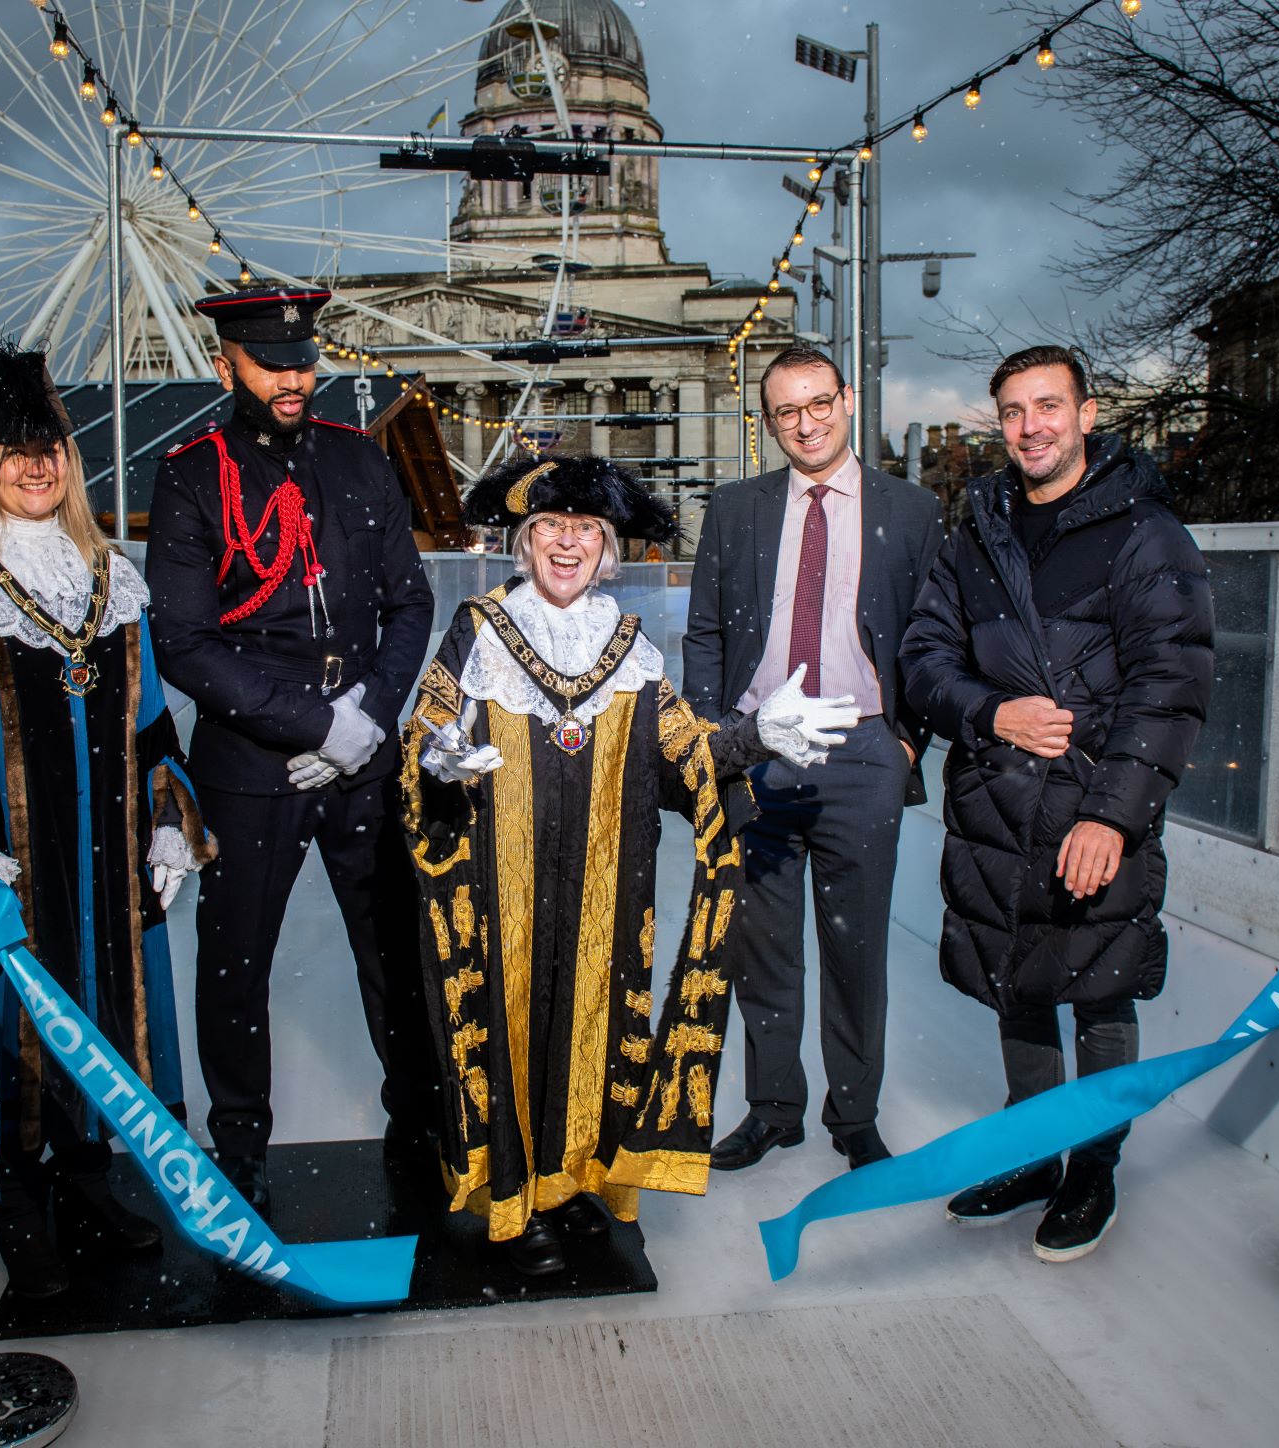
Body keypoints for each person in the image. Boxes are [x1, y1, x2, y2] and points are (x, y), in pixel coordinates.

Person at [401, 454, 859, 1275]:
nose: (567, 545)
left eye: (585, 530)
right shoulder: (480, 628)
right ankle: (518, 1200)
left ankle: (578, 1184)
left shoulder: (628, 643)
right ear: (524, 542)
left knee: (597, 1032)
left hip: (609, 890)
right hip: (506, 888)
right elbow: (429, 729)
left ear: (608, 548)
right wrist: (440, 760)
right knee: (514, 1023)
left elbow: (682, 750)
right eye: (549, 528)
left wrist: (756, 736)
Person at [0, 335, 213, 1297]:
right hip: (21, 869)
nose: (36, 465)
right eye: (14, 450)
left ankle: (87, 1186)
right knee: (21, 1027)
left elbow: (154, 720)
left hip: (110, 858)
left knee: (107, 1015)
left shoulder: (111, 581)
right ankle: (20, 1208)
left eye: (50, 449)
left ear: (71, 464)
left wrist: (171, 819)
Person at [899, 344, 1213, 1262]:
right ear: (999, 424)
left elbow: (1172, 686)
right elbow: (925, 661)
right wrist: (992, 711)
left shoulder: (1144, 533)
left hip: (1090, 801)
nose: (1031, 426)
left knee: (1100, 988)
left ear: (1085, 412)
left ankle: (1095, 1167)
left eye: (1048, 406)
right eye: (1013, 411)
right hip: (999, 805)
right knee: (1018, 983)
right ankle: (1036, 1151)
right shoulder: (976, 536)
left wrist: (1113, 816)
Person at [145, 285, 436, 1219]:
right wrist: (313, 726)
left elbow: (411, 604)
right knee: (235, 966)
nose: (294, 379)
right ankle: (239, 1151)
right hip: (248, 766)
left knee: (397, 950)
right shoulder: (190, 474)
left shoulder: (360, 461)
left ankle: (420, 1126)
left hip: (365, 755)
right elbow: (185, 646)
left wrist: (368, 718)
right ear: (226, 362)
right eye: (273, 363)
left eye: (305, 362)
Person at [683, 346, 945, 1172]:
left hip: (864, 750)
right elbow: (706, 634)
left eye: (818, 403)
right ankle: (773, 1109)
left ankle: (854, 1113)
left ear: (848, 400)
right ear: (768, 423)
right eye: (787, 411)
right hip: (759, 748)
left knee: (856, 946)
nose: (806, 422)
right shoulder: (736, 509)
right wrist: (714, 738)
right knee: (763, 946)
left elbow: (937, 637)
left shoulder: (913, 510)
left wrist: (907, 741)